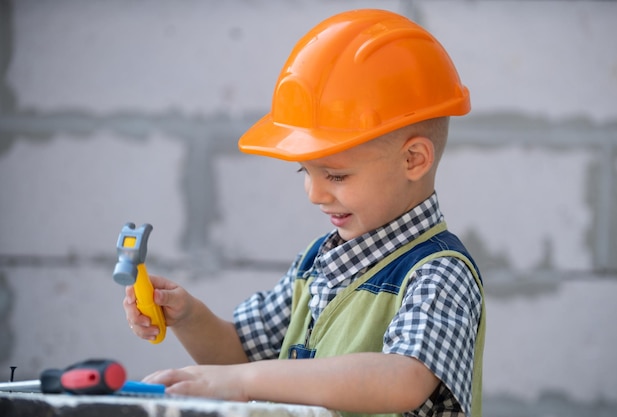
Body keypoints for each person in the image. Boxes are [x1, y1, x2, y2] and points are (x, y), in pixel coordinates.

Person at [123, 8, 486, 417]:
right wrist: (189, 316)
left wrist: (244, 384)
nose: (314, 194)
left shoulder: (438, 273)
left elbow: (401, 379)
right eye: (305, 171)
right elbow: (239, 357)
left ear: (414, 160)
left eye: (336, 175)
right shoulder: (316, 264)